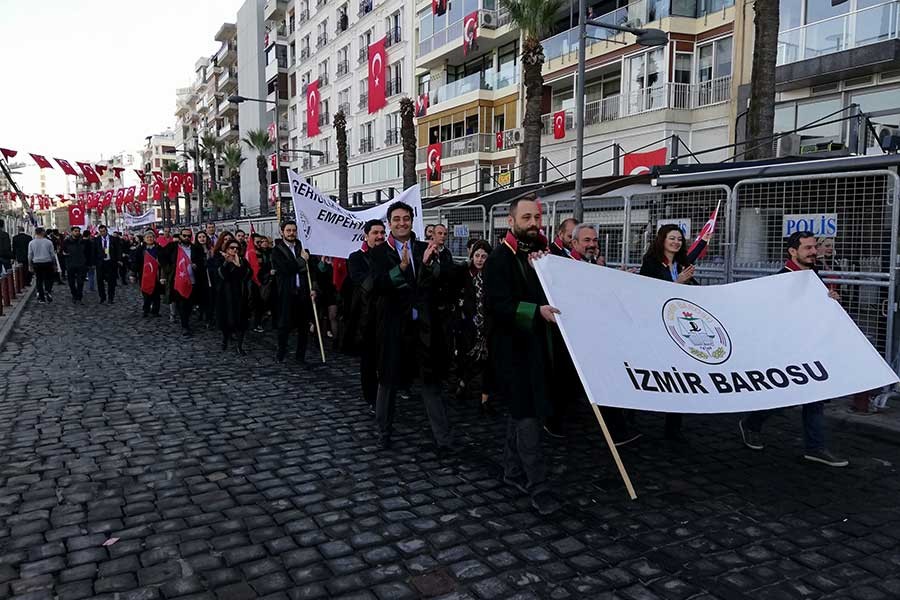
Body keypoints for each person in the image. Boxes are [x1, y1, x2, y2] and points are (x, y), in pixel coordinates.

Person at [739, 231, 848, 467]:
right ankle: (751, 423)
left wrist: (830, 300)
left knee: (815, 397)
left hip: (810, 346)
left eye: (814, 247)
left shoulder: (813, 273)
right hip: (786, 349)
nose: (813, 252)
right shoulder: (781, 279)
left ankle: (815, 447)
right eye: (808, 248)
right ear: (792, 251)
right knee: (782, 398)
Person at [484, 194, 561, 516]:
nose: (533, 223)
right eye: (527, 218)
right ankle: (538, 487)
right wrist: (536, 311)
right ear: (511, 221)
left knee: (521, 414)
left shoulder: (545, 253)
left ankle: (511, 472)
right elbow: (498, 306)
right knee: (527, 415)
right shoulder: (499, 258)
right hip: (512, 353)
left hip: (539, 349)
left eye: (537, 217)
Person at [370, 201, 452, 452]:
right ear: (389, 222)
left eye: (406, 218)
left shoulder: (423, 247)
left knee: (430, 383)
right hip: (395, 328)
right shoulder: (379, 252)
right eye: (396, 219)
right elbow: (379, 285)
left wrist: (430, 264)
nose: (402, 223)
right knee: (388, 383)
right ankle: (384, 431)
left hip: (423, 328)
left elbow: (438, 281)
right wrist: (402, 268)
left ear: (412, 220)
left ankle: (443, 439)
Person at [639, 224, 709, 442]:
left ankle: (674, 425)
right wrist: (677, 282)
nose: (676, 242)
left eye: (679, 239)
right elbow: (646, 291)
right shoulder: (650, 263)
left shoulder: (683, 263)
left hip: (680, 325)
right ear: (662, 240)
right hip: (658, 325)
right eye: (672, 238)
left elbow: (693, 288)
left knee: (679, 371)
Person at [347, 219, 386, 411]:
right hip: (367, 317)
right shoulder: (356, 258)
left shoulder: (389, 255)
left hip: (387, 315)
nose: (379, 236)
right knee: (369, 360)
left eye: (382, 233)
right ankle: (371, 397)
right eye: (375, 233)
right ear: (366, 235)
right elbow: (363, 283)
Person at [454, 239, 495, 415]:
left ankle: (485, 399)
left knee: (489, 363)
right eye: (477, 255)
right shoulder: (465, 273)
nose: (479, 259)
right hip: (468, 325)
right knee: (467, 360)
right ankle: (463, 382)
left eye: (484, 256)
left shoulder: (492, 276)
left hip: (488, 326)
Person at [272, 221, 316, 363]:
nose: (291, 233)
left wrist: (313, 288)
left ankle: (300, 356)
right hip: (286, 292)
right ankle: (281, 352)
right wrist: (301, 261)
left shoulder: (303, 248)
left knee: (303, 326)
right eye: (288, 230)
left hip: (302, 292)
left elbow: (312, 271)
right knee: (284, 325)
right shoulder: (277, 250)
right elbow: (285, 269)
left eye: (293, 230)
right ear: (282, 232)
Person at [167, 228, 208, 336]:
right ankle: (185, 325)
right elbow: (162, 257)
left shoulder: (195, 249)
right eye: (184, 235)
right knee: (182, 304)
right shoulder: (174, 248)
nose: (186, 238)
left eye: (189, 236)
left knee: (189, 304)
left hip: (192, 280)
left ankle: (186, 320)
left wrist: (197, 266)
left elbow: (201, 264)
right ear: (180, 236)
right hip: (179, 280)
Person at [217, 239, 252, 355]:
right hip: (226, 294)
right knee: (227, 319)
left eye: (236, 248)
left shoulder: (243, 261)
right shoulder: (222, 260)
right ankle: (225, 339)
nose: (234, 250)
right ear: (227, 248)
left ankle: (239, 345)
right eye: (232, 248)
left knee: (241, 320)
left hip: (240, 293)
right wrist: (227, 263)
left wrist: (238, 266)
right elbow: (222, 275)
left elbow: (247, 274)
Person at [131, 231, 163, 317]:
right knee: (146, 293)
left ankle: (155, 311)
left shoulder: (159, 248)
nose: (149, 239)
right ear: (144, 239)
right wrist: (133, 274)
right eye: (147, 237)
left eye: (151, 237)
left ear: (154, 238)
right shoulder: (140, 249)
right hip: (144, 275)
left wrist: (160, 262)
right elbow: (135, 262)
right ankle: (146, 310)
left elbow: (164, 260)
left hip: (156, 275)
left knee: (156, 294)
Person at [92, 224, 122, 304]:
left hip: (110, 262)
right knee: (100, 281)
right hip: (100, 263)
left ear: (106, 231)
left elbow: (118, 250)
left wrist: (118, 259)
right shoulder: (96, 240)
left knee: (111, 282)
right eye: (101, 232)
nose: (102, 233)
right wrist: (94, 262)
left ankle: (111, 298)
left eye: (104, 231)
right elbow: (94, 252)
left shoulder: (114, 239)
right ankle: (102, 297)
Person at [61, 226, 91, 304]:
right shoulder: (66, 241)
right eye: (75, 231)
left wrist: (88, 263)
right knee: (71, 282)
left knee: (80, 282)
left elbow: (88, 253)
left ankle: (79, 296)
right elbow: (62, 251)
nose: (77, 232)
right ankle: (74, 295)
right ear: (72, 232)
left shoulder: (83, 241)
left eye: (78, 231)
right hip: (70, 264)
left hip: (81, 264)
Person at [27, 227, 56, 303]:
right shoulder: (48, 242)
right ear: (43, 233)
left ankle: (41, 296)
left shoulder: (31, 243)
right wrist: (54, 264)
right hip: (47, 262)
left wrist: (30, 265)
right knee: (48, 278)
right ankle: (48, 291)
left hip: (37, 263)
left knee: (39, 280)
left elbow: (30, 255)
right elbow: (52, 255)